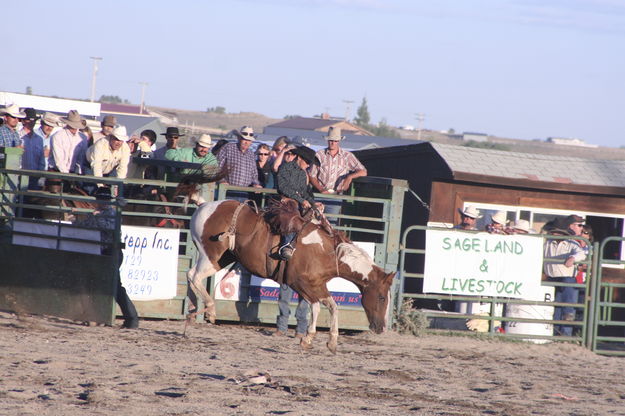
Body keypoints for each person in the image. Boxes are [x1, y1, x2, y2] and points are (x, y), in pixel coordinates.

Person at [74, 186, 139, 329]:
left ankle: (131, 318)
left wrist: (93, 217)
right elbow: (85, 226)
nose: (102, 202)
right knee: (98, 285)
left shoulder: (110, 213)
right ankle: (96, 317)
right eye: (100, 199)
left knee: (114, 286)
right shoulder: (100, 213)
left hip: (110, 252)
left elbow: (107, 228)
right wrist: (76, 221)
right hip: (101, 253)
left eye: (104, 200)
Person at [308, 127, 367, 224]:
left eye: (335, 141)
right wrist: (321, 189)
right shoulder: (319, 155)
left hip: (336, 196)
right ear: (327, 140)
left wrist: (350, 177)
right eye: (331, 140)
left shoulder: (347, 156)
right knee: (314, 223)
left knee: (331, 225)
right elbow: (312, 175)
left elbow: (363, 171)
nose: (333, 143)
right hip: (319, 194)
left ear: (339, 141)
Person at [275, 146, 322, 260]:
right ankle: (287, 245)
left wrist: (314, 204)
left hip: (296, 202)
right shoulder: (285, 168)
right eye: (307, 162)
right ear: (299, 158)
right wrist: (301, 200)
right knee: (292, 214)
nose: (308, 165)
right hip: (283, 201)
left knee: (314, 216)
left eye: (309, 163)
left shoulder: (302, 174)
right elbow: (283, 187)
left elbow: (304, 192)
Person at [543, 214, 587, 337]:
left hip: (566, 278)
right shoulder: (547, 244)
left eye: (558, 232)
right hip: (551, 278)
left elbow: (581, 254)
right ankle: (556, 333)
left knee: (567, 305)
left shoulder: (571, 244)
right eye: (554, 232)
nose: (555, 234)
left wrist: (573, 258)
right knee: (556, 307)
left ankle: (566, 334)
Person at [217, 126, 262, 201]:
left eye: (249, 140)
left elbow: (254, 174)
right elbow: (218, 167)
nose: (246, 142)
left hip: (244, 194)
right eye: (244, 139)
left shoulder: (251, 154)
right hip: (228, 191)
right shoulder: (228, 148)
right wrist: (222, 181)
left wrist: (256, 184)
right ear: (239, 138)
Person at [49, 110, 88, 174]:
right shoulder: (57, 136)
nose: (75, 128)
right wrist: (67, 175)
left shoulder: (83, 137)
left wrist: (78, 173)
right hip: (56, 170)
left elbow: (81, 159)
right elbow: (59, 160)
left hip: (74, 171)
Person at [18, 108, 45, 189]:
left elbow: (41, 158)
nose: (31, 122)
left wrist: (39, 172)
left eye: (33, 120)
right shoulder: (17, 136)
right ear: (23, 121)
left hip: (34, 176)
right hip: (20, 175)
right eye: (28, 120)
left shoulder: (39, 139)